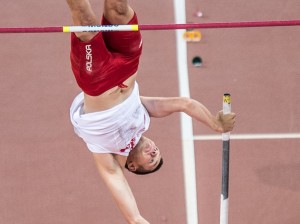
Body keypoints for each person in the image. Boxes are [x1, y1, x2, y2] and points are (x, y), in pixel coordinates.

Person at [66, 0, 236, 223]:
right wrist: (215, 124)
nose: (155, 152)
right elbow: (184, 104)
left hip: (97, 77)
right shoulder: (143, 117)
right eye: (158, 154)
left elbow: (135, 218)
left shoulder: (105, 153)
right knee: (117, 7)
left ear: (132, 166)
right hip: (128, 61)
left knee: (84, 17)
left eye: (151, 161)